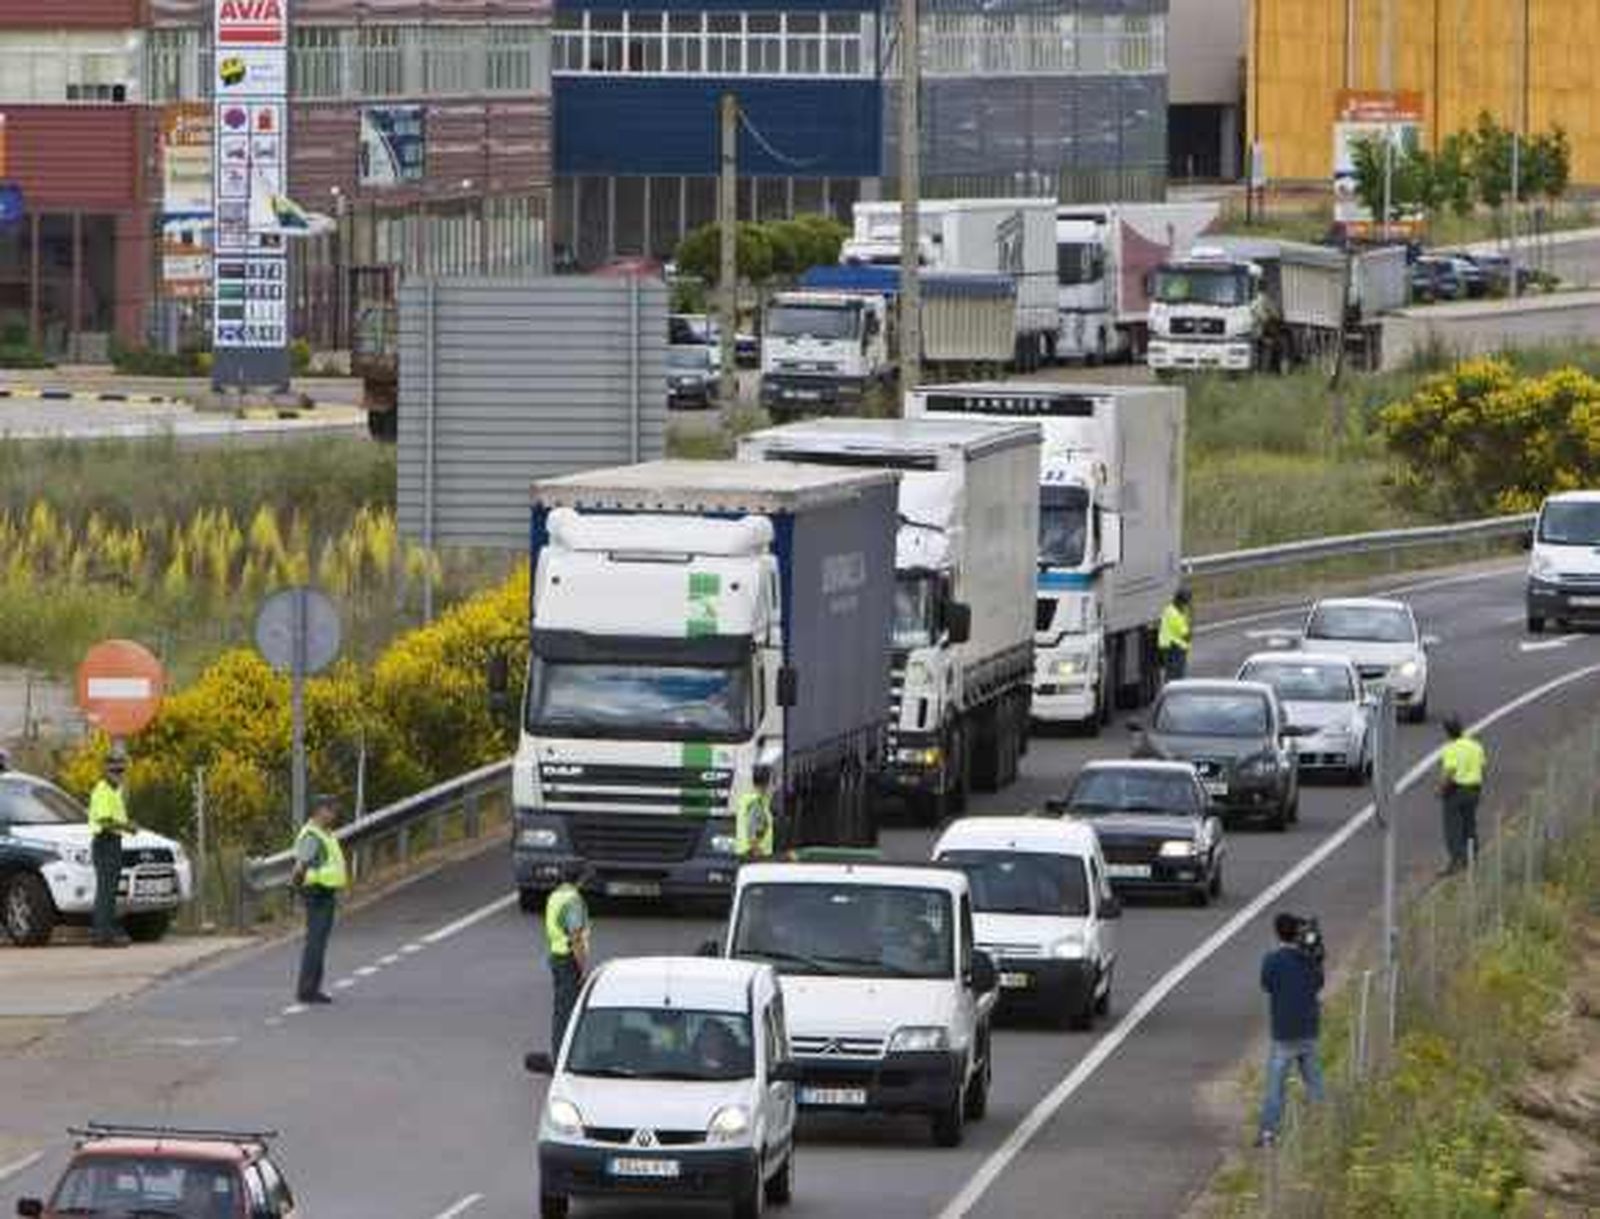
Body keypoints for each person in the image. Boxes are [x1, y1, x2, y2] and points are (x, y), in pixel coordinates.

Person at [1257, 912, 1326, 1146]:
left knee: (1275, 1086)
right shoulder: (1308, 959)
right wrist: (1315, 955)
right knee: (1315, 1082)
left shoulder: (1272, 960)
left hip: (1283, 1032)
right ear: (1298, 933)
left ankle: (1269, 1133)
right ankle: (1321, 1128)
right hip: (1308, 1029)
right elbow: (1318, 982)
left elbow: (1266, 984)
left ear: (1277, 933)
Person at [291, 793, 348, 1005]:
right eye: (330, 809)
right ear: (318, 811)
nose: (334, 813)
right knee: (315, 942)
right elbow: (300, 866)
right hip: (317, 892)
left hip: (324, 891)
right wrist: (298, 888)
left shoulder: (325, 833)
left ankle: (312, 988)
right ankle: (307, 990)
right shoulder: (312, 836)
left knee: (318, 941)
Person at [87, 746, 136, 948]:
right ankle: (102, 936)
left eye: (121, 770)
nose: (119, 774)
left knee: (109, 890)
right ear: (105, 770)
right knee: (106, 891)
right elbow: (105, 821)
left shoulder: (114, 791)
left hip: (113, 842)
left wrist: (126, 826)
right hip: (105, 841)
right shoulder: (103, 790)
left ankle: (105, 932)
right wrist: (127, 826)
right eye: (115, 770)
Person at [545, 868, 593, 1053]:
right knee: (568, 1013)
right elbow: (576, 938)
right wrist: (582, 968)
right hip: (568, 960)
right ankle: (562, 1059)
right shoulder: (573, 900)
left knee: (560, 1012)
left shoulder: (555, 896)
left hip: (556, 957)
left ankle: (557, 1054)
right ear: (582, 880)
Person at [1439, 716, 1486, 875]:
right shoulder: (1476, 746)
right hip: (1474, 789)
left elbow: (1450, 773)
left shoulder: (1450, 749)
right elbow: (1482, 768)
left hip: (1456, 790)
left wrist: (1440, 790)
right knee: (1469, 824)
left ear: (1447, 733)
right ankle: (1472, 858)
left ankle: (1456, 861)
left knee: (1452, 828)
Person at [734, 764, 775, 861]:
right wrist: (757, 851)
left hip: (747, 854)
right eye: (773, 782)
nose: (774, 786)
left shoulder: (748, 799)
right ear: (766, 784)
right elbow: (752, 829)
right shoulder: (756, 802)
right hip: (754, 856)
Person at [1158, 588, 1194, 683]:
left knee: (1170, 674)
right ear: (1182, 601)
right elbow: (1185, 635)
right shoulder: (1175, 615)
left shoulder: (1170, 609)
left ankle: (1170, 691)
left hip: (1168, 646)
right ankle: (1175, 694)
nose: (1188, 604)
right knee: (1176, 676)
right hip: (1175, 648)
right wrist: (1190, 629)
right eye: (1187, 602)